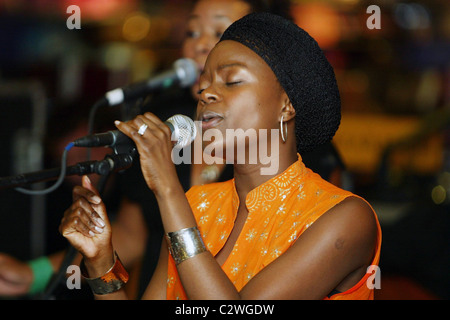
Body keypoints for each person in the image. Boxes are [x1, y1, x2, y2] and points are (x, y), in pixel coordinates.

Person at [59, 12, 382, 300]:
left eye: (232, 81)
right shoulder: (197, 205)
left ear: (287, 105)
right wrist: (101, 261)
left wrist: (169, 190)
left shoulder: (344, 218)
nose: (206, 94)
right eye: (203, 87)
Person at [0, 0, 294, 299]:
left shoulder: (301, 171)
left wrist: (167, 186)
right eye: (192, 33)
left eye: (221, 31)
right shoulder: (165, 122)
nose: (201, 46)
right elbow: (132, 235)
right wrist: (36, 274)